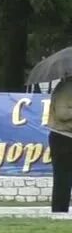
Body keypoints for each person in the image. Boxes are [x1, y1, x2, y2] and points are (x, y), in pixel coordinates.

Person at [49, 79, 72, 213]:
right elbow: (62, 114)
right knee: (62, 178)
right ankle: (59, 212)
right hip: (63, 138)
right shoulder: (65, 88)